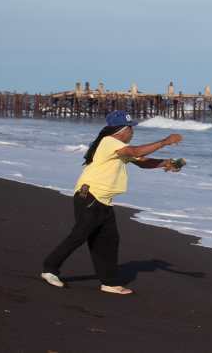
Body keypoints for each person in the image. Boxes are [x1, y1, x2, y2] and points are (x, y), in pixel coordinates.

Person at [41, 110, 183, 295]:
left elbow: (143, 161)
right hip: (89, 195)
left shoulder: (120, 148)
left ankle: (109, 282)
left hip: (103, 200)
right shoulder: (109, 142)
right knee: (80, 235)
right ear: (121, 130)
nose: (133, 131)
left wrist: (167, 164)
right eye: (131, 128)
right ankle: (49, 269)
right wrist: (165, 142)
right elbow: (135, 151)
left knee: (108, 240)